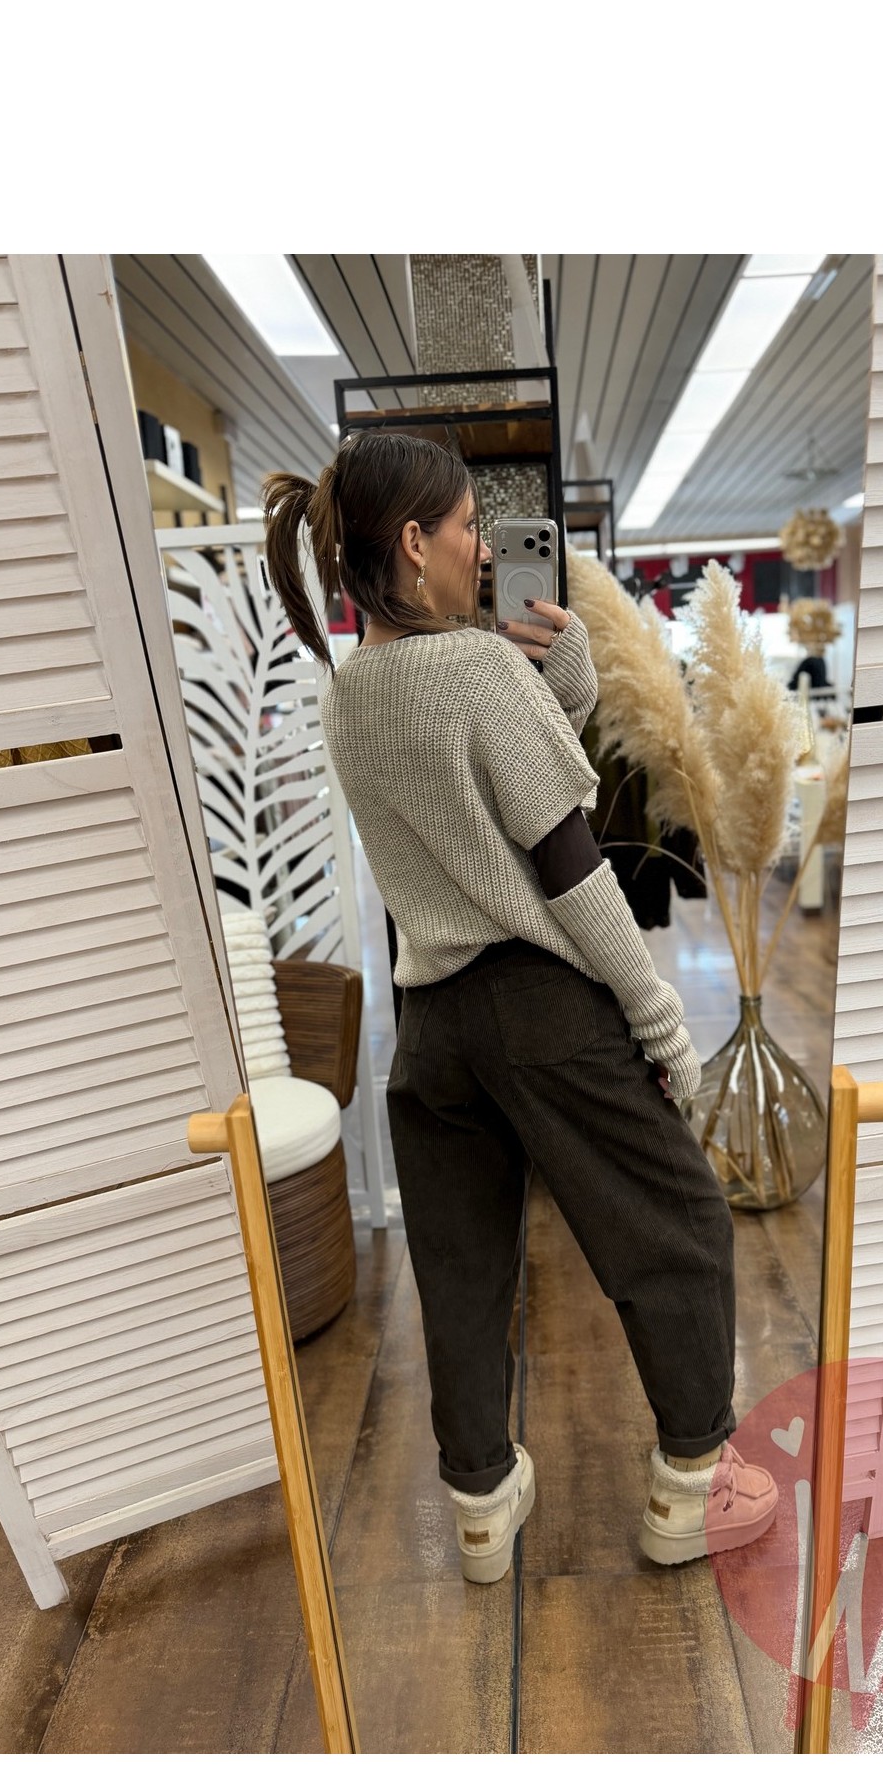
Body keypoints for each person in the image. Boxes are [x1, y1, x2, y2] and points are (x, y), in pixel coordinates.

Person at [262, 434, 779, 1586]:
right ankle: (696, 1484)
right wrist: (658, 1017)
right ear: (413, 543)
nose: (483, 550)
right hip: (538, 1004)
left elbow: (477, 791)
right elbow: (566, 864)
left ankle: (481, 1499)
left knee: (462, 1270)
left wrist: (569, 678)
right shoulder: (475, 671)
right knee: (679, 1226)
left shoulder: (350, 696)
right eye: (463, 528)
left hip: (431, 1026)